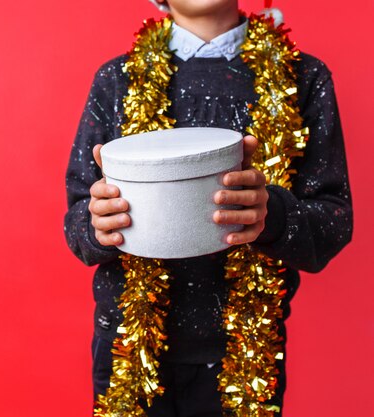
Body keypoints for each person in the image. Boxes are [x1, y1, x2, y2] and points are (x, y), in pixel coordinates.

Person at [63, 0, 353, 416]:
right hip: (128, 348)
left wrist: (271, 214)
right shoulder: (117, 80)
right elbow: (77, 220)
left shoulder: (303, 77)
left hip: (246, 357)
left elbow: (333, 223)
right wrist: (97, 226)